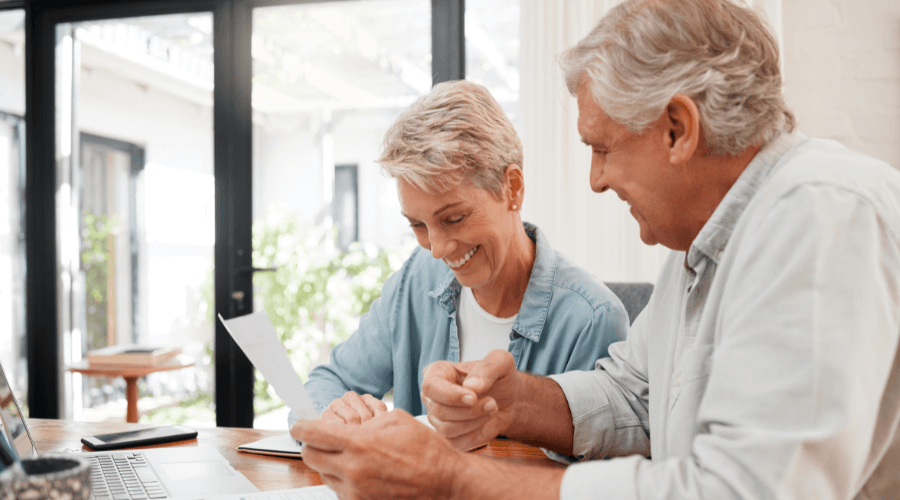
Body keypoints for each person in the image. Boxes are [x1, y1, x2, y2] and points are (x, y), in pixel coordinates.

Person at [291, 0, 900, 498]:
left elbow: (743, 491)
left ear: (677, 129)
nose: (595, 180)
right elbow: (633, 397)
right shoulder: (702, 251)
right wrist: (510, 401)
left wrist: (452, 479)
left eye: (602, 147)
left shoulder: (822, 213)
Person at [298, 79, 629, 425]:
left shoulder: (592, 320)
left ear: (512, 187)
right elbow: (326, 382)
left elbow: (587, 471)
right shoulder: (418, 278)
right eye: (418, 225)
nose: (438, 249)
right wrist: (333, 412)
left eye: (454, 218)